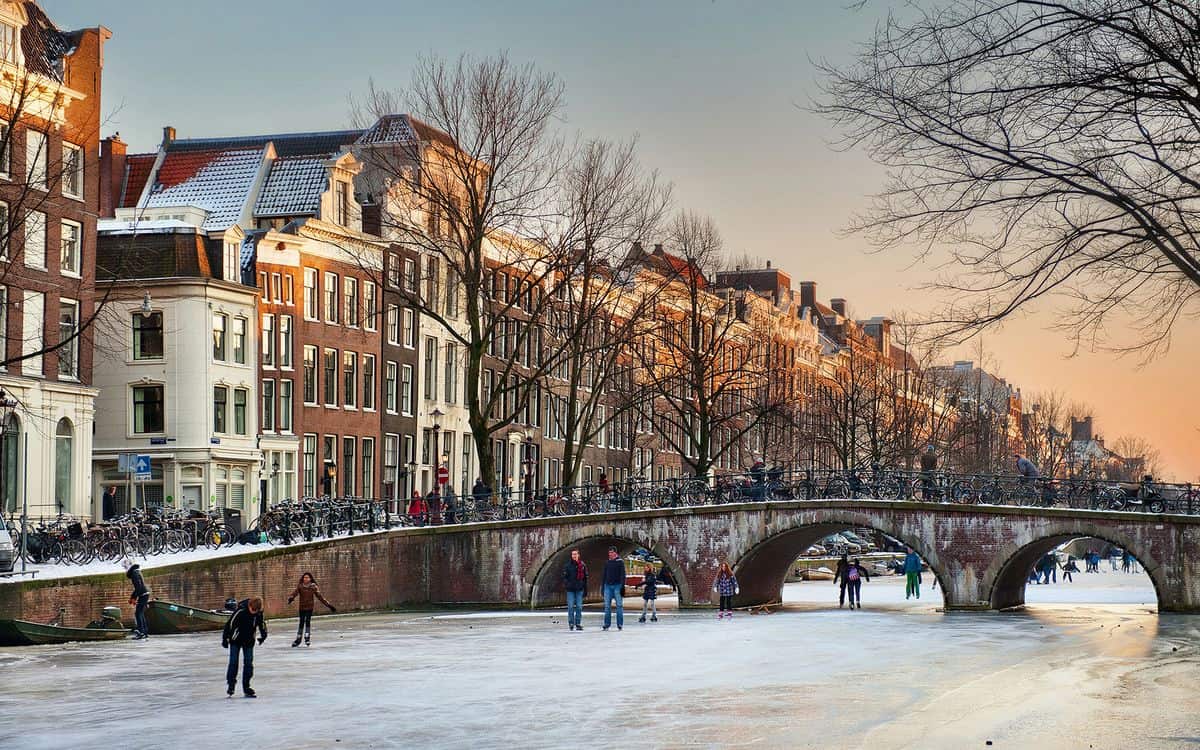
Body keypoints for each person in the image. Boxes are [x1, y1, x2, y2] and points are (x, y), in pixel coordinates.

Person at [222, 597, 267, 698]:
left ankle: (246, 687)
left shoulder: (258, 613)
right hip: (235, 640)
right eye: (252, 610)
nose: (253, 612)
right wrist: (225, 639)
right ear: (249, 606)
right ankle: (231, 685)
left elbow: (262, 625)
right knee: (233, 662)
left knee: (248, 663)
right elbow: (229, 625)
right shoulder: (240, 611)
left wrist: (263, 636)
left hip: (249, 641)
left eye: (255, 611)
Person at [287, 572, 336, 647]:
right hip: (302, 607)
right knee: (301, 622)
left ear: (310, 579)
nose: (305, 579)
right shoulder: (300, 586)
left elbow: (320, 597)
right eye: (304, 577)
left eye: (307, 577)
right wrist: (291, 598)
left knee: (307, 621)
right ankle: (298, 639)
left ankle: (307, 637)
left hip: (309, 607)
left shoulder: (313, 587)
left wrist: (329, 605)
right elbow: (294, 593)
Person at [561, 549, 587, 631]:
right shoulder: (568, 565)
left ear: (578, 555)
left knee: (579, 607)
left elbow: (585, 577)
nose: (574, 556)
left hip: (579, 589)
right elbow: (565, 577)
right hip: (570, 590)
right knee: (570, 607)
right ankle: (571, 623)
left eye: (575, 554)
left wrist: (585, 588)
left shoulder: (582, 565)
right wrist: (567, 585)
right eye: (573, 554)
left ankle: (578, 623)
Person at [124, 559, 151, 640]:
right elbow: (138, 587)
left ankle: (141, 632)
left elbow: (138, 587)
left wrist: (133, 598)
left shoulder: (134, 573)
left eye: (125, 567)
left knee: (138, 613)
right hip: (144, 594)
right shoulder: (136, 571)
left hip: (143, 594)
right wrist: (133, 597)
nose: (125, 569)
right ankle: (144, 632)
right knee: (140, 613)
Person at [601, 547, 625, 631]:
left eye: (611, 552)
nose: (610, 554)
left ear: (615, 553)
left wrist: (622, 587)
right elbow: (604, 575)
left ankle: (620, 624)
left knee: (619, 605)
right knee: (607, 606)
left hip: (617, 586)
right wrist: (602, 587)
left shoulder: (620, 562)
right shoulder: (607, 562)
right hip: (607, 586)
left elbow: (623, 575)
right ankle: (606, 624)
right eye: (609, 552)